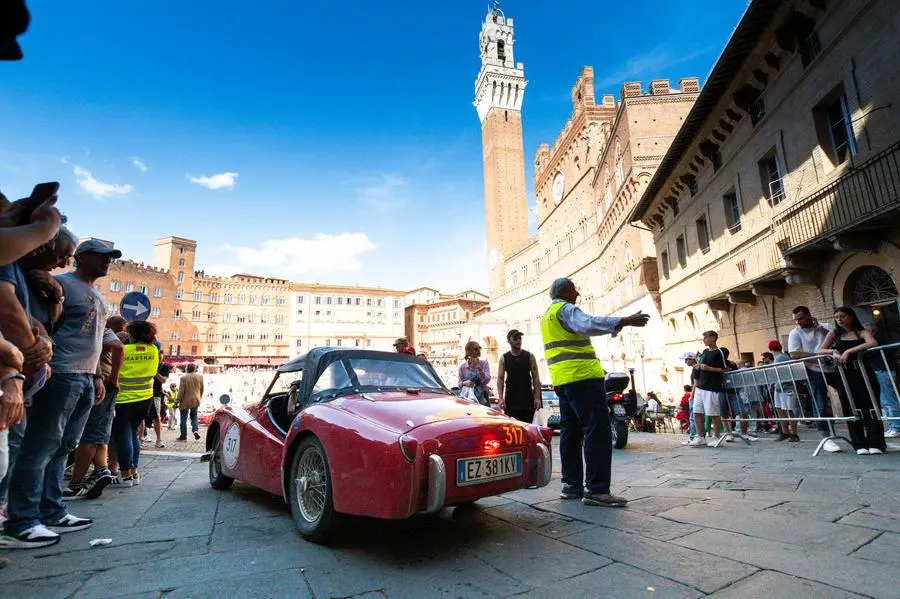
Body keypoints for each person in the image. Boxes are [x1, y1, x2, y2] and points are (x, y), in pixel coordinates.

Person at [2, 239, 119, 548]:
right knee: (41, 446)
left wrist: (97, 376)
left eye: (110, 257)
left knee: (64, 445)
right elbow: (42, 327)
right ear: (80, 257)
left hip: (84, 376)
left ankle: (52, 510)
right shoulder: (59, 283)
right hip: (62, 373)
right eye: (101, 256)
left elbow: (96, 339)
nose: (108, 261)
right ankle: (23, 518)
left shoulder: (96, 293)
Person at [541, 277, 648, 507]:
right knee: (597, 431)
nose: (578, 294)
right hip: (583, 377)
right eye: (575, 290)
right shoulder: (566, 309)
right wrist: (624, 320)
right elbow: (587, 323)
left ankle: (571, 486)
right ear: (567, 292)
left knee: (570, 431)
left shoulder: (547, 316)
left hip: (563, 380)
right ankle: (597, 489)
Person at [62, 315, 125, 500]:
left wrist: (113, 378)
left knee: (89, 434)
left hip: (101, 384)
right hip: (104, 383)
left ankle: (76, 484)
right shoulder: (97, 331)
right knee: (98, 433)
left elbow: (118, 347)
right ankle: (101, 470)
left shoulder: (101, 331)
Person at [817, 307, 884, 455]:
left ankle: (876, 442)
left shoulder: (862, 332)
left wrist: (849, 351)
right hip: (845, 375)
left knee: (871, 405)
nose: (839, 320)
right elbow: (820, 350)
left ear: (851, 316)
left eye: (843, 316)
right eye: (836, 317)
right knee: (850, 407)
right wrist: (832, 351)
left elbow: (872, 343)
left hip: (864, 372)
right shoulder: (834, 333)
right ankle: (859, 443)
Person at [111, 320, 159, 487]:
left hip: (124, 398)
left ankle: (124, 475)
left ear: (133, 334)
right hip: (145, 398)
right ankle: (134, 472)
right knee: (133, 434)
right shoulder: (154, 350)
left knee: (123, 433)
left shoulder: (124, 349)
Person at [788, 306, 841, 453]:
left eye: (800, 318)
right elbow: (794, 353)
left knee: (848, 396)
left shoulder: (825, 327)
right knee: (820, 403)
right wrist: (816, 355)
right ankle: (826, 437)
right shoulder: (795, 333)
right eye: (796, 319)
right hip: (814, 370)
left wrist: (820, 330)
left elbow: (835, 339)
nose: (798, 322)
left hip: (834, 368)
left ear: (809, 315)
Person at [689, 331, 729, 447]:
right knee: (697, 411)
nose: (704, 339)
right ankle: (700, 437)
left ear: (713, 338)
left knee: (713, 413)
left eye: (706, 337)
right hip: (700, 386)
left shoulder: (720, 352)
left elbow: (725, 369)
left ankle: (716, 436)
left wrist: (708, 368)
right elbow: (702, 366)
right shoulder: (705, 352)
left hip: (712, 386)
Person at [496, 329, 541, 423]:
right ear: (509, 341)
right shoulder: (504, 358)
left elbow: (536, 377)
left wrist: (537, 398)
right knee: (513, 429)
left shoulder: (529, 356)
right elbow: (500, 379)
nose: (518, 341)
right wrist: (501, 398)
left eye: (520, 338)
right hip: (511, 400)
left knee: (528, 429)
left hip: (527, 399)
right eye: (515, 339)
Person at [769, 341, 799, 442]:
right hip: (780, 387)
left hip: (785, 387)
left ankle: (793, 433)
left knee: (788, 410)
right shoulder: (781, 357)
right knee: (780, 410)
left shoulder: (780, 357)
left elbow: (775, 372)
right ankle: (785, 432)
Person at [458, 341, 491, 406]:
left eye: (479, 348)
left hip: (482, 397)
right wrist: (465, 383)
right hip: (467, 398)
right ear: (469, 351)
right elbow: (459, 385)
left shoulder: (484, 363)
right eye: (476, 349)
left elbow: (487, 380)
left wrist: (479, 368)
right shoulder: (462, 367)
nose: (479, 350)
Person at [176, 364, 203, 441]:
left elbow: (181, 391)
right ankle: (195, 430)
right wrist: (199, 398)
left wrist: (176, 402)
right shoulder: (200, 377)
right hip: (196, 400)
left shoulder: (183, 378)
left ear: (187, 368)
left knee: (183, 419)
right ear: (195, 369)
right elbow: (202, 390)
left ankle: (183, 436)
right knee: (194, 416)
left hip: (185, 401)